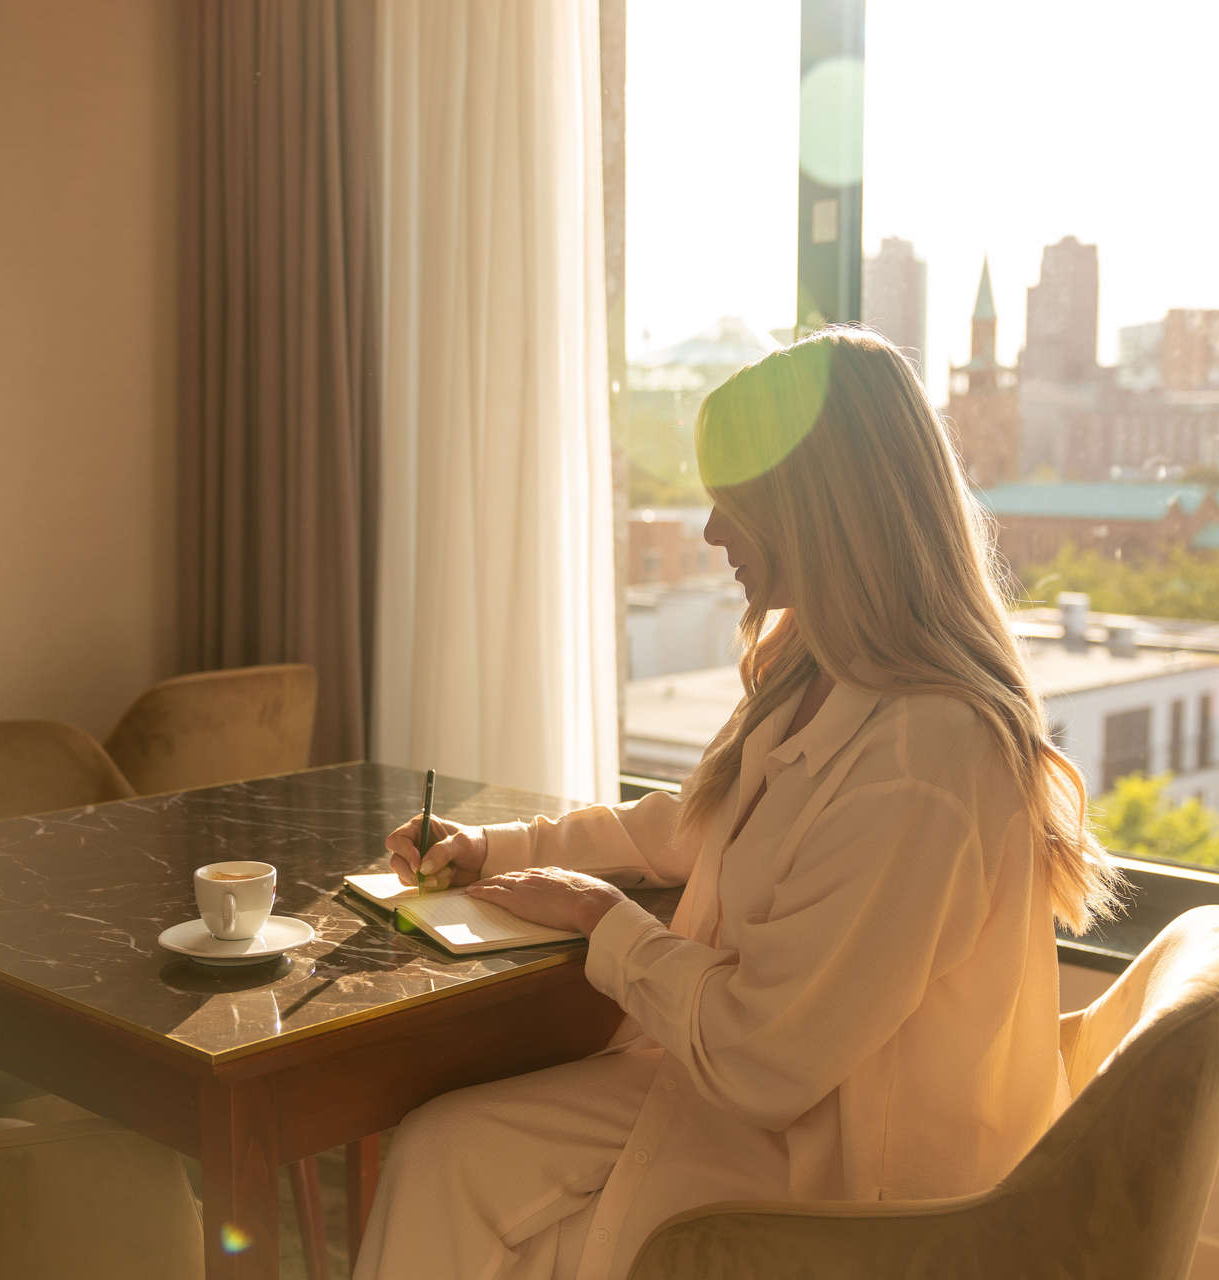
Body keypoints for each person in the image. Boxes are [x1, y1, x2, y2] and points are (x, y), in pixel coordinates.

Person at [352, 327, 1124, 1280]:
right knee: (443, 1146)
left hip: (846, 1184)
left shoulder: (927, 760)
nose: (713, 533)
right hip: (768, 1110)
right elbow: (697, 822)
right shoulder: (823, 668)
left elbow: (763, 1060)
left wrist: (604, 919)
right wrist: (499, 849)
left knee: (449, 1163)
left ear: (821, 511)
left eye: (736, 504)